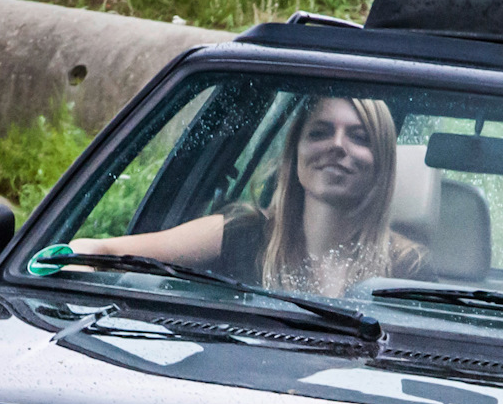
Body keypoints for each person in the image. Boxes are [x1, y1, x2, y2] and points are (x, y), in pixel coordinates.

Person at [71, 96, 426, 296]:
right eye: (319, 132)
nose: (336, 146)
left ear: (382, 164)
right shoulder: (240, 232)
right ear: (294, 155)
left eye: (359, 137)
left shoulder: (408, 269)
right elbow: (103, 251)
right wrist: (66, 261)